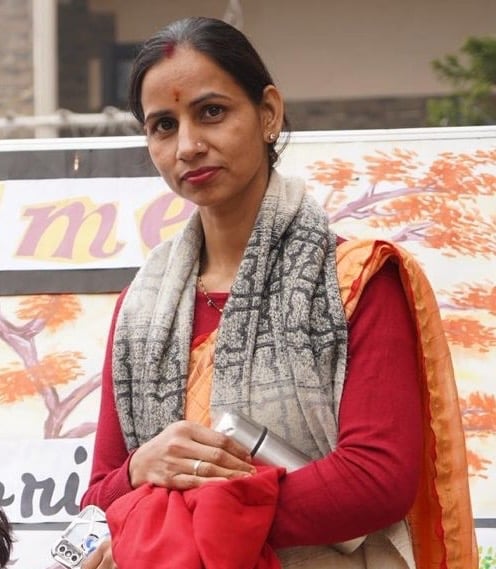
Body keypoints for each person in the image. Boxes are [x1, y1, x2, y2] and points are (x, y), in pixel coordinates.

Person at [80, 16, 477, 569]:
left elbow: (375, 478)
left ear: (268, 113)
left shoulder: (355, 279)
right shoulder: (140, 308)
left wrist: (184, 527)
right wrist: (139, 468)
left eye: (212, 112)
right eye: (164, 125)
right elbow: (99, 495)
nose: (188, 146)